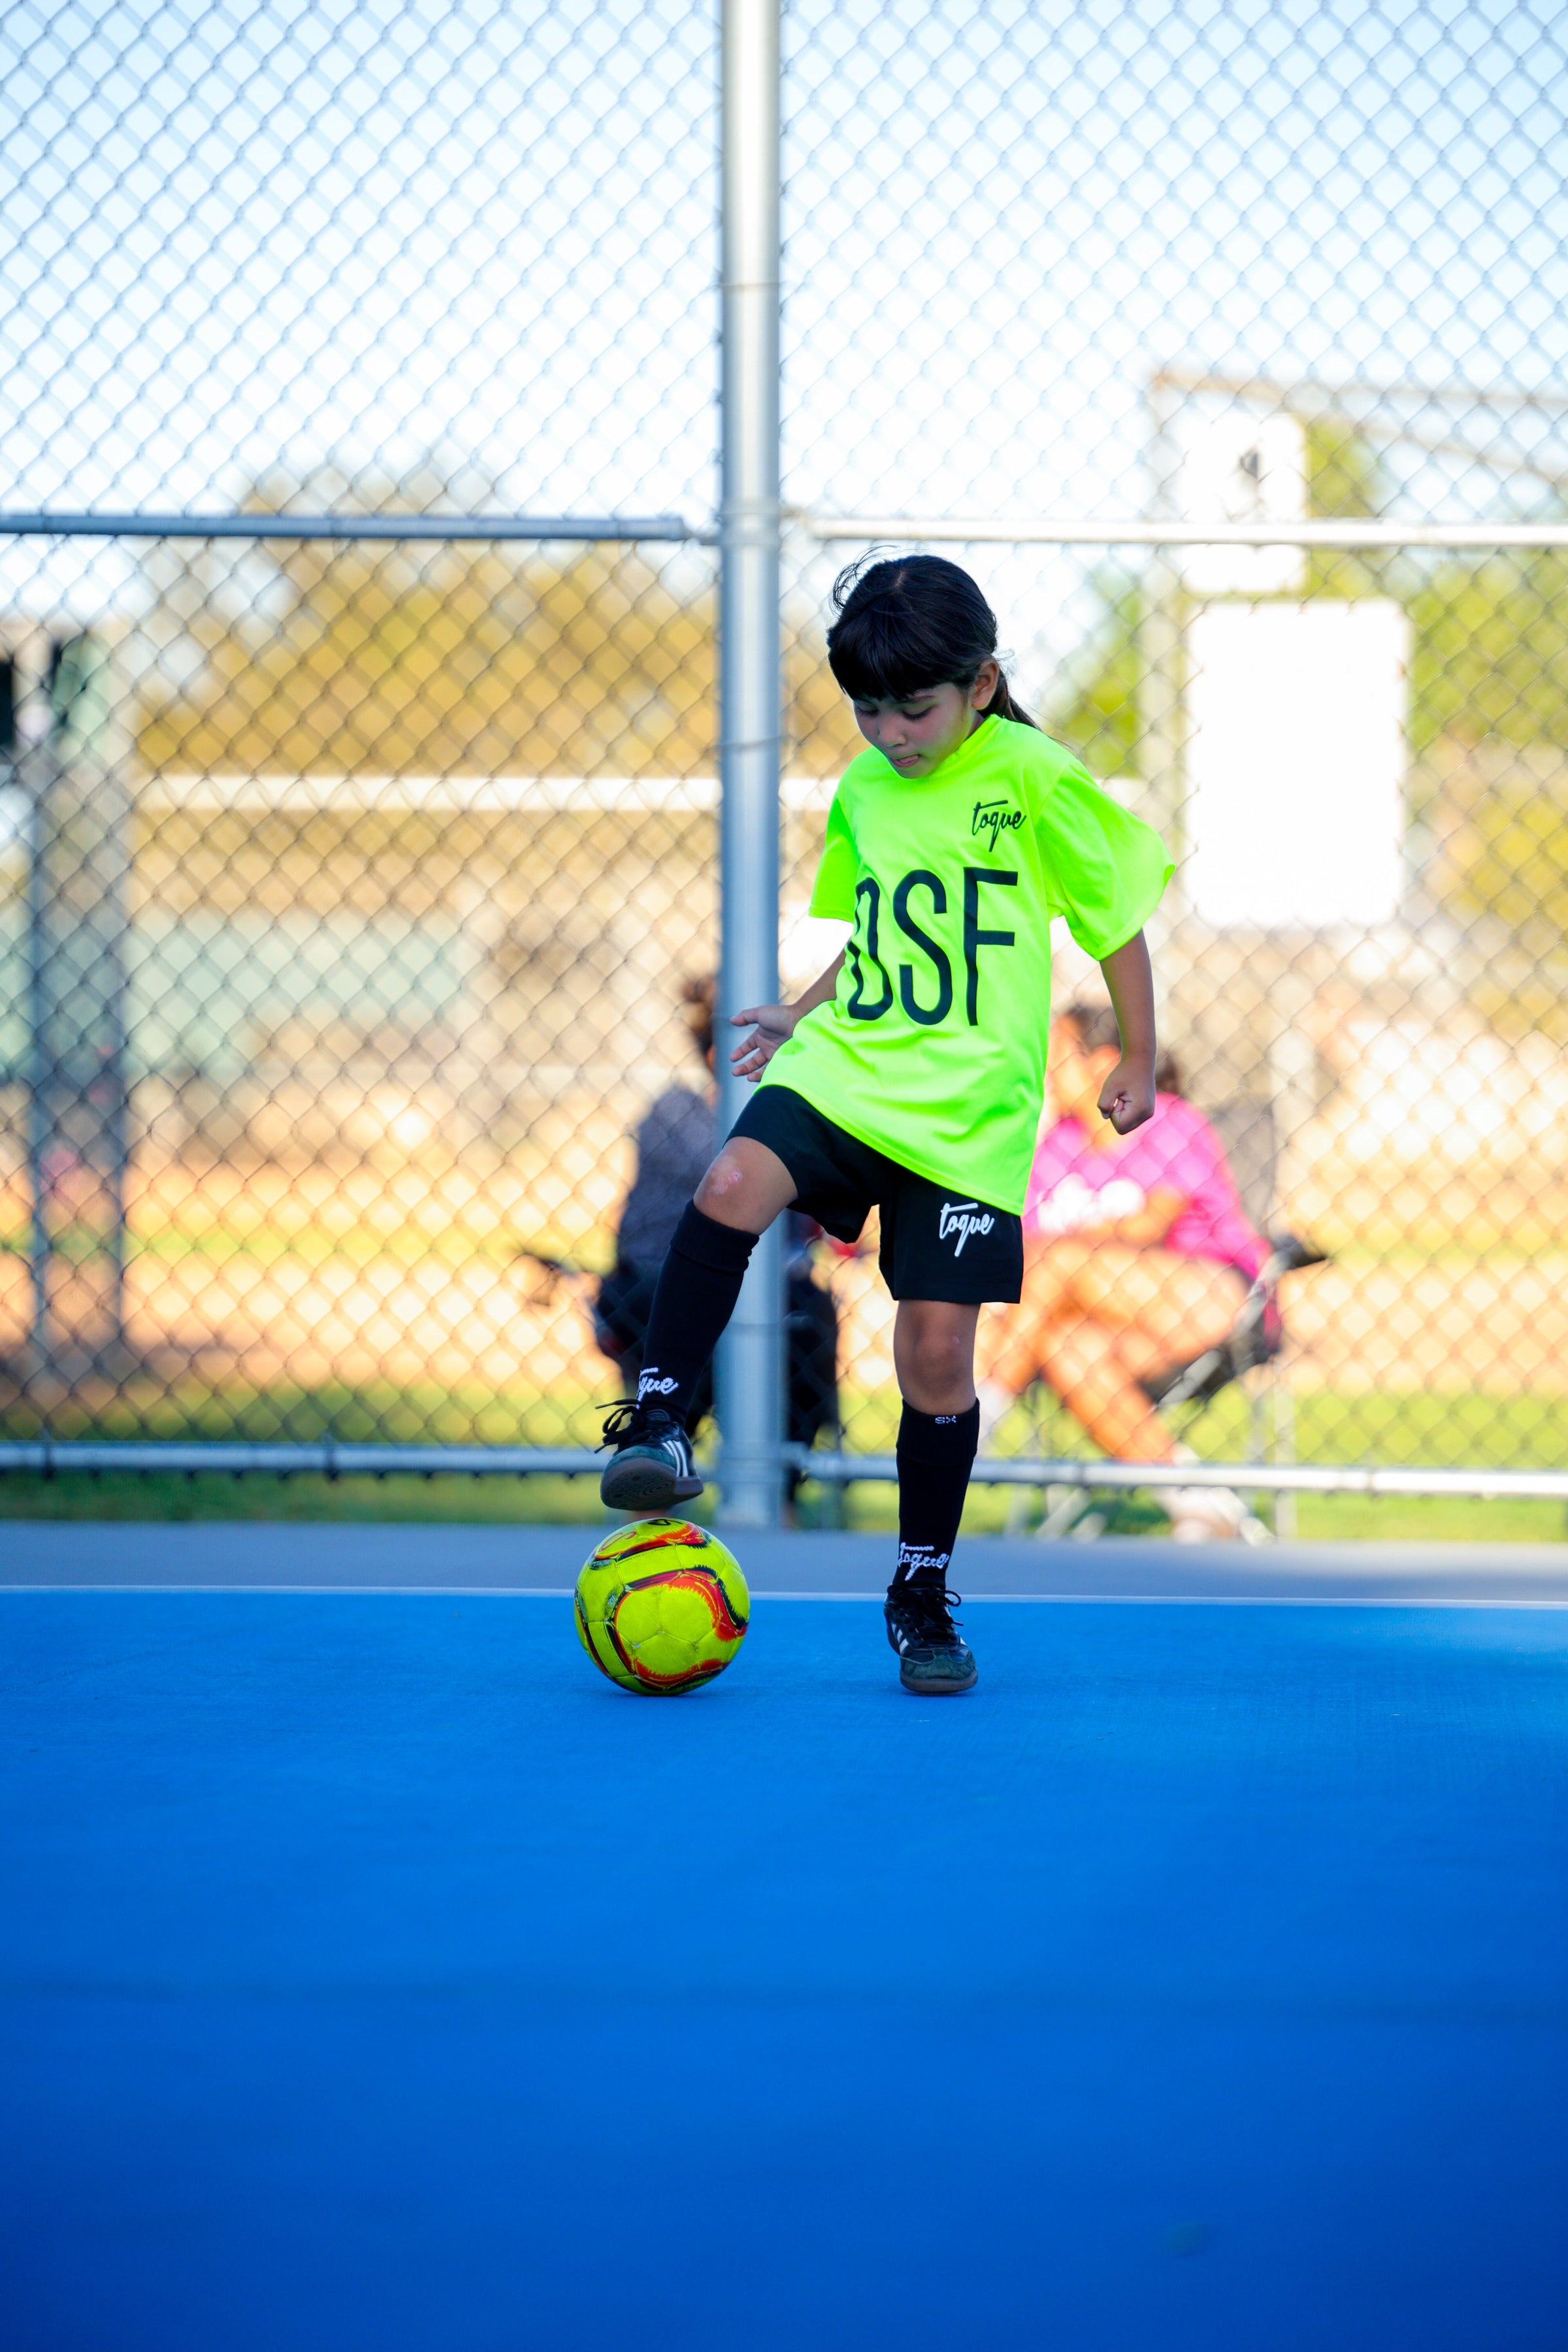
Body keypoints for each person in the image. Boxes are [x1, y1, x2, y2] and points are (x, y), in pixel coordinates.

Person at [596, 554, 1171, 1695]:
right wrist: (799, 1016)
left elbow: (1119, 921)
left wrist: (1141, 1053)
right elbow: (879, 938)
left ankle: (920, 1586)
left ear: (982, 684)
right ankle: (660, 1424)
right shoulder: (865, 792)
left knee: (936, 1355)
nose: (892, 731)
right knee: (727, 1188)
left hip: (967, 1115)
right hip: (857, 1065)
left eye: (915, 707)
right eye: (868, 709)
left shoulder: (1035, 780)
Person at [977, 1002, 1267, 1540]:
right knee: (1065, 1348)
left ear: (1102, 1063)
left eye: (1057, 1055)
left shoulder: (1169, 1119)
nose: (1044, 1068)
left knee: (1060, 1258)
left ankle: (979, 1414)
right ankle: (1200, 1502)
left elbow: (1151, 1223)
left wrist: (1057, 1255)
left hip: (1203, 1299)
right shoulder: (1056, 1147)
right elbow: (1024, 1253)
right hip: (1107, 1327)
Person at [594, 976, 839, 1483]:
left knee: (804, 1319)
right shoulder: (675, 1113)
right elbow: (738, 1175)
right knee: (697, 1316)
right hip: (657, 1283)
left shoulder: (797, 1117)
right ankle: (656, 1463)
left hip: (776, 1297)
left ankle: (780, 1496)